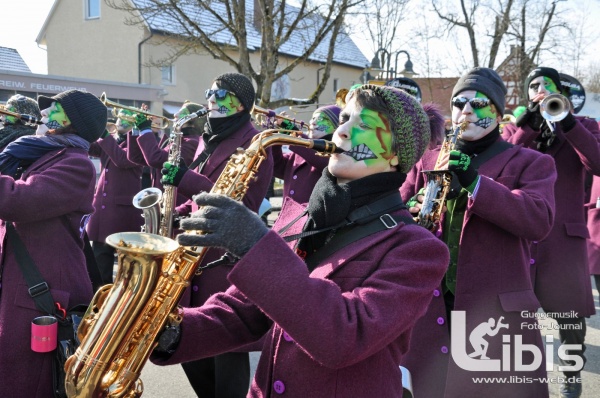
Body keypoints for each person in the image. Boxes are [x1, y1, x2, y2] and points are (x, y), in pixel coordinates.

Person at [151, 84, 450, 397]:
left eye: (363, 124)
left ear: (395, 154)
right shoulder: (307, 216)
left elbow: (346, 336)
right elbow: (245, 313)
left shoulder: (418, 249)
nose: (342, 131)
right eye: (345, 119)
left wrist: (255, 244)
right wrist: (170, 334)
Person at [401, 67, 557, 397]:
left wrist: (475, 182)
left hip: (494, 316)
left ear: (498, 113)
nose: (466, 110)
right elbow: (395, 208)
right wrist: (409, 212)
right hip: (430, 309)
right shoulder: (429, 158)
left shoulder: (530, 162)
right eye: (459, 103)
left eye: (479, 103)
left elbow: (538, 220)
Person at [160, 72, 274, 397]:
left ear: (242, 104)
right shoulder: (207, 138)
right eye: (210, 91)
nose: (212, 98)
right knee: (189, 350)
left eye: (222, 94)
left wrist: (187, 180)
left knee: (226, 355)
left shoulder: (255, 142)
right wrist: (172, 216)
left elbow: (243, 203)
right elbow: (197, 202)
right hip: (192, 256)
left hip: (224, 262)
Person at [0, 89, 107, 397]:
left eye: (54, 109)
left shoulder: (77, 164)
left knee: (32, 384)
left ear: (73, 121)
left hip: (43, 290)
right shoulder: (40, 153)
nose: (44, 114)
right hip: (22, 284)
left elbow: (18, 201)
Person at [502, 66, 600, 398]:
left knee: (569, 321)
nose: (539, 90)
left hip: (564, 241)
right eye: (533, 86)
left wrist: (567, 123)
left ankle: (571, 377)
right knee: (515, 320)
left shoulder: (585, 126)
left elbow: (597, 163)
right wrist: (529, 123)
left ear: (560, 92)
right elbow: (506, 163)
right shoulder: (519, 129)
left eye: (546, 86)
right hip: (522, 241)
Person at [86, 110, 144, 284]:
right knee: (98, 265)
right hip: (102, 211)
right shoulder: (112, 140)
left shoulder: (139, 143)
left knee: (124, 269)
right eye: (119, 117)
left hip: (122, 214)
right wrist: (87, 129)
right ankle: (98, 300)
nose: (120, 120)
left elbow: (122, 159)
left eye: (125, 118)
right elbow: (91, 148)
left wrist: (104, 134)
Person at [127, 100, 202, 207]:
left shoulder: (192, 142)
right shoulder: (176, 139)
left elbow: (155, 158)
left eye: (182, 112)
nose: (175, 114)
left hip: (174, 204)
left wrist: (145, 129)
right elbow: (136, 157)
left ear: (193, 121)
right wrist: (136, 129)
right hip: (163, 201)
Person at [272, 104, 341, 205]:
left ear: (336, 127)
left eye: (320, 118)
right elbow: (276, 167)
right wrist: (276, 140)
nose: (312, 122)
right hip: (288, 217)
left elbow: (322, 162)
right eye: (313, 118)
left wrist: (295, 135)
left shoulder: (336, 151)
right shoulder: (299, 152)